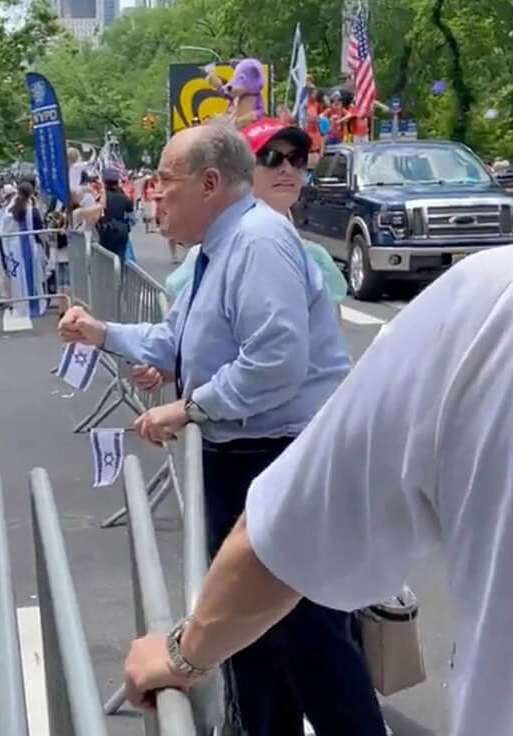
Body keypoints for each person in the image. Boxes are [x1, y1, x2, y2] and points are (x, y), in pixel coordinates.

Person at [59, 121, 385, 735]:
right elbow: (174, 342)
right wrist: (102, 334)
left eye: (165, 181)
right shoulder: (218, 249)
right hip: (246, 458)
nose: (153, 195)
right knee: (257, 644)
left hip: (280, 458)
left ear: (211, 184)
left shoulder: (258, 243)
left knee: (308, 642)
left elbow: (274, 363)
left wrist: (187, 408)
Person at [125, 245, 513, 736]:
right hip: (300, 467)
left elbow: (278, 540)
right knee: (286, 649)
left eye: (292, 161)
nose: (287, 169)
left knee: (311, 638)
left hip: (293, 460)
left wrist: (184, 654)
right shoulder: (211, 257)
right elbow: (181, 337)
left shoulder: (485, 302)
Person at [165, 119, 348, 307]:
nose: (287, 168)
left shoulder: (316, 259)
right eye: (270, 158)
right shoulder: (208, 255)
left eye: (296, 159)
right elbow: (181, 331)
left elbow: (331, 332)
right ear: (242, 172)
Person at [0, 182, 48, 318]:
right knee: (34, 277)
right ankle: (34, 305)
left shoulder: (9, 211)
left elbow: (2, 231)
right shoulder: (32, 210)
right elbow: (39, 228)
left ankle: (20, 306)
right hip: (29, 246)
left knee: (18, 279)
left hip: (13, 247)